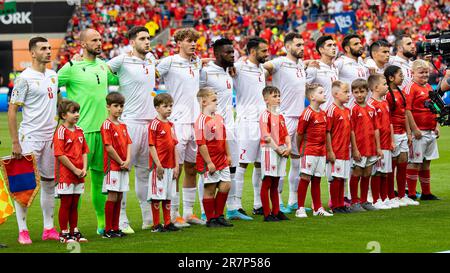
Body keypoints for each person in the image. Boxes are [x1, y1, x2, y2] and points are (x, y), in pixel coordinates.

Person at [58, 28, 119, 235]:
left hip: (103, 131)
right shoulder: (72, 67)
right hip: (80, 133)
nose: (99, 43)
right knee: (75, 180)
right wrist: (62, 110)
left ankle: (103, 224)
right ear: (83, 44)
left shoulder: (103, 66)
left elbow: (119, 80)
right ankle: (66, 228)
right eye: (94, 40)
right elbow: (52, 85)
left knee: (101, 180)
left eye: (100, 39)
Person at [8, 37, 59, 244]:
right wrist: (15, 142)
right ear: (32, 53)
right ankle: (23, 231)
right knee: (25, 185)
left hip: (50, 139)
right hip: (30, 138)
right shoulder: (24, 78)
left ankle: (49, 228)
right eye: (43, 49)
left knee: (49, 184)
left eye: (49, 48)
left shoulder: (54, 75)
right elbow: (12, 110)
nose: (48, 51)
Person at [107, 26, 156, 234]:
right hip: (130, 123)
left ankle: (147, 219)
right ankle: (122, 219)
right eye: (142, 39)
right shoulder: (121, 60)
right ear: (132, 42)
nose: (147, 42)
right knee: (124, 171)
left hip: (149, 123)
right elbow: (101, 73)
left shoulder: (152, 58)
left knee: (145, 173)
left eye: (148, 38)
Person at [156, 28, 204, 227]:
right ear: (179, 43)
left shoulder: (197, 61)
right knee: (177, 169)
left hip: (195, 121)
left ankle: (189, 213)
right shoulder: (168, 62)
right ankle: (174, 214)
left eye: (194, 41)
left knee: (192, 168)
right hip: (177, 121)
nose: (193, 44)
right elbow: (151, 72)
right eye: (188, 41)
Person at [200, 38, 251, 221]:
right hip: (212, 130)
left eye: (233, 52)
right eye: (228, 52)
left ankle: (232, 208)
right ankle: (205, 210)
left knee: (232, 168)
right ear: (217, 53)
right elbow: (197, 97)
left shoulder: (229, 71)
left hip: (230, 126)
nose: (232, 55)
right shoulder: (205, 73)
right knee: (209, 172)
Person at [263, 32, 308, 214]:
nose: (302, 48)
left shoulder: (301, 66)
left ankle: (293, 200)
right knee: (279, 160)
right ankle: (278, 201)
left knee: (297, 162)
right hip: (283, 118)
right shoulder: (280, 62)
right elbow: (265, 67)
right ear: (287, 46)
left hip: (300, 118)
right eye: (297, 45)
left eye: (302, 44)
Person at [233, 37, 269, 216]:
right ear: (253, 51)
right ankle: (236, 205)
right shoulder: (239, 67)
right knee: (242, 163)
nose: (267, 54)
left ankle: (258, 204)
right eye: (263, 51)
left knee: (260, 164)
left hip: (261, 121)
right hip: (246, 121)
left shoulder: (262, 68)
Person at [194, 88, 233, 228]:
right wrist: (209, 162)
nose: (217, 102)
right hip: (209, 161)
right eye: (214, 100)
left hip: (222, 159)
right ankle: (211, 219)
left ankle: (219, 215)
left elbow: (224, 137)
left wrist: (228, 154)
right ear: (204, 102)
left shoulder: (218, 117)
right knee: (210, 189)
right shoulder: (200, 121)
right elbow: (201, 144)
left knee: (226, 185)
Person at [295, 83, 333, 218]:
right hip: (309, 150)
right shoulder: (307, 113)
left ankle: (318, 208)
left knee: (317, 179)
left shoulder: (323, 113)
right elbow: (299, 133)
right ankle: (300, 208)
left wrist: (328, 150)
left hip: (321, 152)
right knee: (305, 178)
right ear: (312, 97)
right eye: (321, 92)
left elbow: (326, 133)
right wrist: (301, 149)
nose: (325, 94)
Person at [54, 100, 89, 243]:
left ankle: (74, 230)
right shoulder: (61, 131)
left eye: (77, 111)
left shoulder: (80, 130)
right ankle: (64, 233)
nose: (77, 114)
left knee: (75, 203)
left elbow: (84, 151)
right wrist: (74, 169)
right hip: (66, 175)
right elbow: (60, 154)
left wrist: (84, 168)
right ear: (63, 115)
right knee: (66, 204)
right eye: (73, 112)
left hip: (79, 174)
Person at [405, 60, 440, 201]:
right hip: (418, 132)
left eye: (426, 72)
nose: (425, 75)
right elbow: (407, 110)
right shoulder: (410, 88)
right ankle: (411, 193)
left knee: (427, 161)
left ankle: (426, 193)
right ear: (412, 73)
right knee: (415, 161)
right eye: (421, 72)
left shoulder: (429, 87)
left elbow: (436, 106)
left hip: (430, 130)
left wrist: (436, 125)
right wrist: (414, 129)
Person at [384, 65, 419, 206]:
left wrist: (409, 132)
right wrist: (391, 137)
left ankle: (401, 195)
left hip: (403, 133)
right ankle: (390, 195)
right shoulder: (387, 95)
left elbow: (404, 113)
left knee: (403, 162)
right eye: (400, 75)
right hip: (393, 134)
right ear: (391, 78)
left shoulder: (401, 92)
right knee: (391, 166)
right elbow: (387, 118)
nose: (403, 77)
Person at [100, 92, 132, 238]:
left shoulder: (123, 125)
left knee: (119, 196)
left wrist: (128, 160)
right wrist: (121, 162)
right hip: (113, 167)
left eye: (121, 106)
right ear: (108, 107)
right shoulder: (107, 125)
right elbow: (108, 147)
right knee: (112, 196)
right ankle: (108, 229)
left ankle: (115, 227)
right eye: (116, 106)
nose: (119, 109)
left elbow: (129, 143)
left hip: (123, 166)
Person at [148, 93, 180, 232]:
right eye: (165, 106)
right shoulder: (154, 124)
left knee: (168, 195)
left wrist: (177, 165)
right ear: (157, 108)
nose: (169, 109)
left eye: (171, 106)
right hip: (159, 167)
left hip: (171, 166)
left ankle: (167, 223)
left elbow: (174, 145)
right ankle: (156, 225)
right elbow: (151, 145)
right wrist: (158, 165)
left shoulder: (171, 125)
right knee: (157, 195)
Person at [349, 78, 383, 212]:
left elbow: (376, 129)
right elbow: (351, 131)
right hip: (360, 147)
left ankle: (364, 200)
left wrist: (378, 147)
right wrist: (355, 149)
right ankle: (354, 201)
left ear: (367, 92)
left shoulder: (371, 108)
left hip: (371, 147)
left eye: (362, 92)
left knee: (367, 173)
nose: (359, 95)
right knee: (357, 172)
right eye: (356, 92)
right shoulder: (353, 109)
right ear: (352, 93)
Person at [259, 86, 291, 221]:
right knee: (267, 181)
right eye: (274, 96)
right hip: (269, 150)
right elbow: (266, 136)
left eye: (279, 96)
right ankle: (267, 213)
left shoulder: (280, 115)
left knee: (276, 182)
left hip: (281, 150)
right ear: (266, 99)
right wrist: (278, 149)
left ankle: (276, 211)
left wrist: (289, 147)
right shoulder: (265, 115)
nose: (278, 99)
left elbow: (286, 133)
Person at [367, 74, 398, 209]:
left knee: (386, 172)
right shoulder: (371, 105)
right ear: (375, 87)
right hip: (378, 145)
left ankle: (385, 197)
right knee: (377, 172)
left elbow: (390, 123)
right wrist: (377, 146)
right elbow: (373, 128)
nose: (387, 87)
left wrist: (392, 140)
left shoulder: (385, 102)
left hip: (387, 143)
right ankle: (376, 199)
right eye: (384, 84)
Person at [326, 81, 352, 214]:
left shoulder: (347, 110)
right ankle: (335, 205)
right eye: (346, 92)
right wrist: (330, 151)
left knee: (342, 177)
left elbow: (350, 131)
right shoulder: (331, 110)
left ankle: (341, 203)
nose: (349, 95)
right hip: (336, 150)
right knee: (336, 178)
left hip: (345, 151)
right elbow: (327, 132)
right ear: (336, 94)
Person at [306, 36, 339, 111]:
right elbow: (303, 89)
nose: (333, 47)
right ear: (321, 50)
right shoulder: (314, 67)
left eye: (334, 45)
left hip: (335, 115)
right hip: (321, 115)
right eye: (329, 45)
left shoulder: (335, 68)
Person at [335, 34, 368, 106]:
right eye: (356, 44)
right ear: (347, 48)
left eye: (360, 43)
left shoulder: (360, 61)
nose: (360, 46)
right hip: (348, 110)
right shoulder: (341, 62)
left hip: (362, 109)